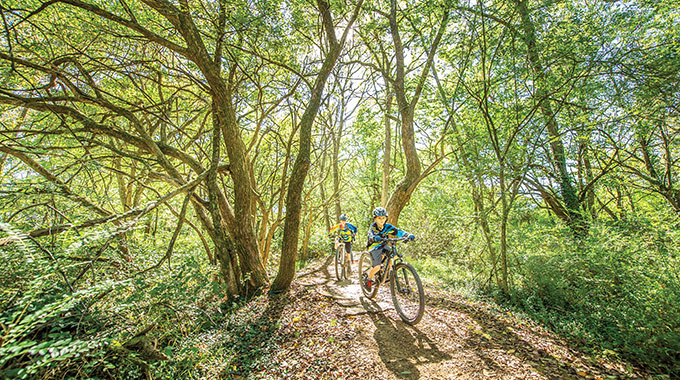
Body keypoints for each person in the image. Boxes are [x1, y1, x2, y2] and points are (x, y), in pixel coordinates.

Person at [363, 207, 415, 291]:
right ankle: (368, 279)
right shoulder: (373, 227)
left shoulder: (387, 227)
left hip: (383, 244)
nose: (381, 220)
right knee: (377, 267)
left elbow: (397, 231)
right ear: (375, 218)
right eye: (379, 218)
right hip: (374, 246)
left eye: (383, 218)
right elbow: (371, 235)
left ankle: (390, 271)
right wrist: (374, 238)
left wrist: (407, 235)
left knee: (393, 255)